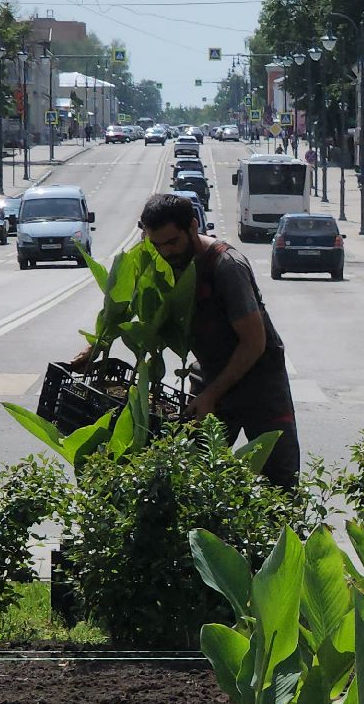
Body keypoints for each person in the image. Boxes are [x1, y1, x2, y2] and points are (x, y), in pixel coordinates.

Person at [70, 193, 302, 491]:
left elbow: (253, 343)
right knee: (192, 480)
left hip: (260, 383)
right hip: (209, 375)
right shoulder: (155, 256)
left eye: (172, 242)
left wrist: (211, 395)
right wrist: (96, 347)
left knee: (280, 481)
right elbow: (124, 305)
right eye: (156, 244)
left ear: (193, 227)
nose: (165, 252)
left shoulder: (227, 266)